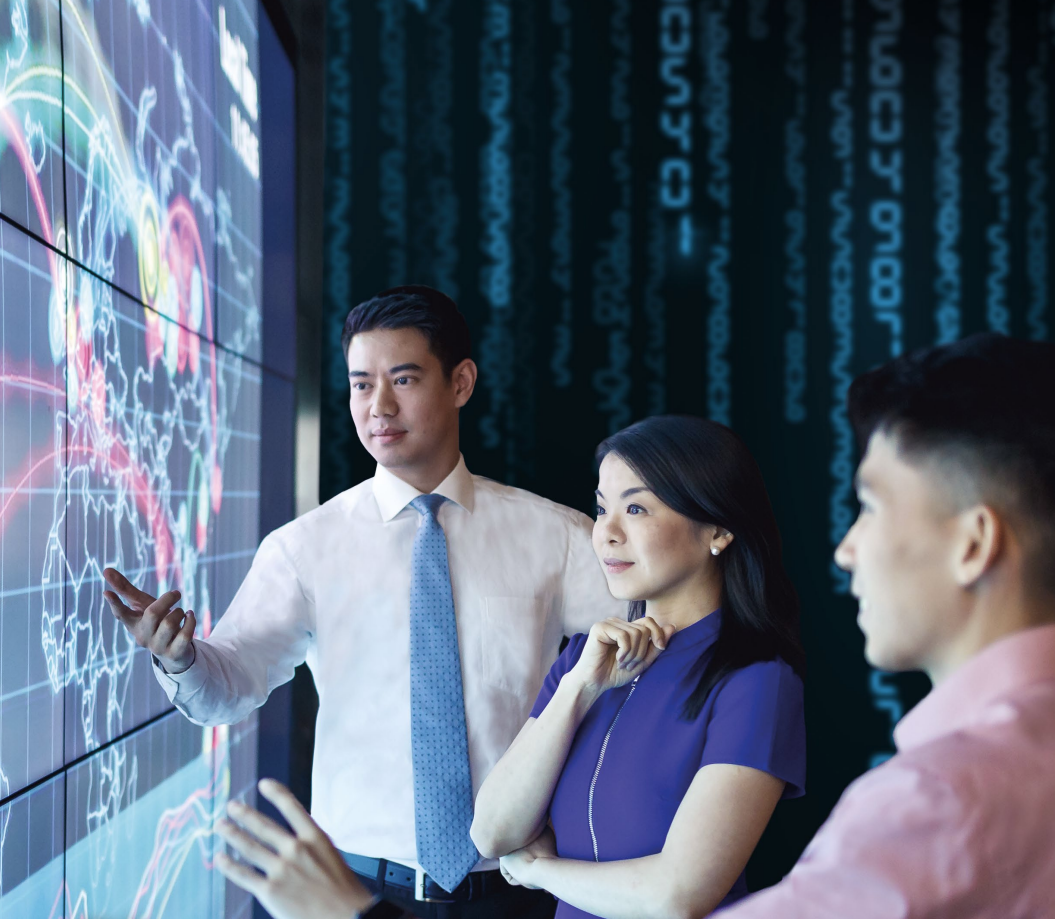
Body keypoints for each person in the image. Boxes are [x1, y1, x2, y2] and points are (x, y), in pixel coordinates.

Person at [103, 285, 623, 919]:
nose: (379, 406)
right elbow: (229, 687)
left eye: (403, 380)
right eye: (360, 385)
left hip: (517, 890)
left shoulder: (554, 536)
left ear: (460, 382)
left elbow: (649, 653)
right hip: (353, 890)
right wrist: (180, 659)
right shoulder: (304, 548)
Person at [471, 415, 807, 918]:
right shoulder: (583, 660)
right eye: (601, 508)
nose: (605, 533)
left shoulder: (756, 680)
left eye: (635, 508)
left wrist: (539, 871)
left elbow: (677, 895)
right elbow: (492, 833)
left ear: (718, 529)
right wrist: (580, 688)